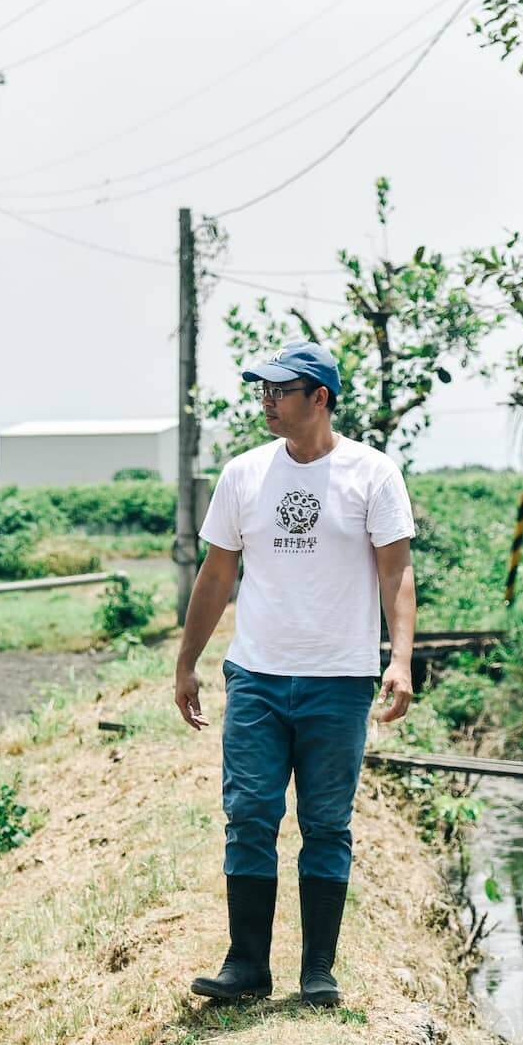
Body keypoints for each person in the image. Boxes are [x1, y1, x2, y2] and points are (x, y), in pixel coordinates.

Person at [174, 339, 417, 1007]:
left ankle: (318, 972)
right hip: (256, 675)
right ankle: (246, 965)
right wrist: (187, 661)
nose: (267, 401)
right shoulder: (244, 474)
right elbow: (217, 573)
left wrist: (399, 658)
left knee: (326, 823)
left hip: (339, 680)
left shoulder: (372, 473)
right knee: (249, 814)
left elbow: (395, 570)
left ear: (320, 398)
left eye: (281, 390)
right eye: (263, 389)